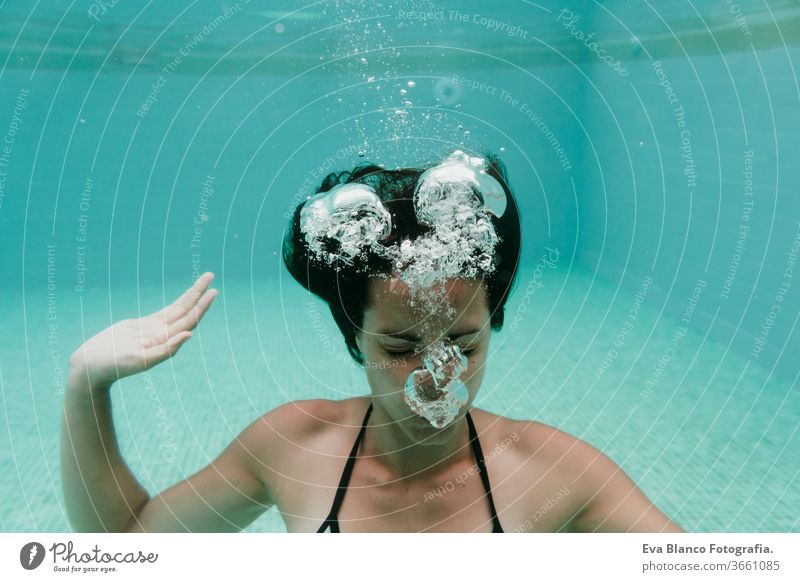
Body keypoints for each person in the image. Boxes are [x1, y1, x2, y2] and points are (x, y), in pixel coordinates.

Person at [61, 150, 684, 533]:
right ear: (353, 337)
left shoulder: (557, 473)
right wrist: (86, 383)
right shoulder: (293, 448)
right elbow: (124, 545)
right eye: (400, 346)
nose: (436, 380)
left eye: (464, 345)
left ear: (493, 322)